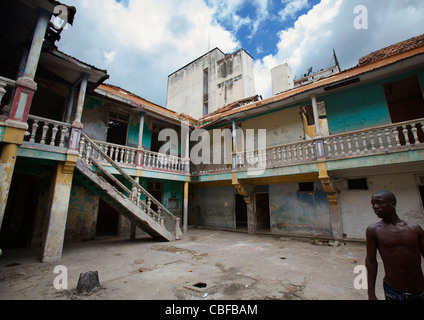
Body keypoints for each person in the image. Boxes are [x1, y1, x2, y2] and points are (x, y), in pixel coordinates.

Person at [365, 190, 424, 300]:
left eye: (380, 203)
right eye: (373, 204)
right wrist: (371, 294)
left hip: (419, 289)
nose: (375, 207)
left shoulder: (414, 229)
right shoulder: (374, 230)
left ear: (393, 204)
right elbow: (371, 262)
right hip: (393, 291)